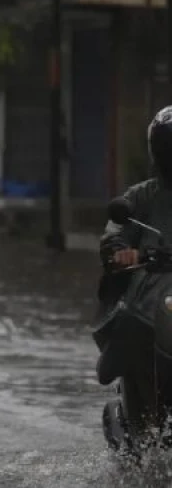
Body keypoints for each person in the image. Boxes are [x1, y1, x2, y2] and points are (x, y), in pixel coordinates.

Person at [96, 107, 172, 383]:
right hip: (150, 293)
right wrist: (121, 252)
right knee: (130, 321)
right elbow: (115, 231)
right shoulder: (140, 196)